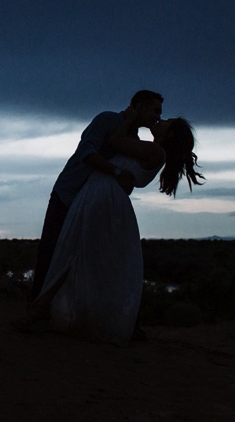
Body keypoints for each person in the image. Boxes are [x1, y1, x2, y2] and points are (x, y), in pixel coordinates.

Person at [25, 112, 204, 345]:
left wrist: (131, 116)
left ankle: (41, 308)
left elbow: (114, 142)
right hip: (101, 196)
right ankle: (51, 309)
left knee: (74, 251)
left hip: (103, 198)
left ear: (169, 133)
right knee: (79, 253)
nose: (160, 119)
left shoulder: (154, 152)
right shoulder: (149, 149)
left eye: (166, 121)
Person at [28, 90, 165, 306]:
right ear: (139, 106)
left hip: (93, 204)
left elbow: (127, 181)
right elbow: (87, 153)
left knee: (84, 258)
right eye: (155, 110)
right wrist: (116, 172)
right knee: (51, 251)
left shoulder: (133, 139)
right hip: (69, 193)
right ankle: (35, 306)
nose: (158, 116)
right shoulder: (107, 120)